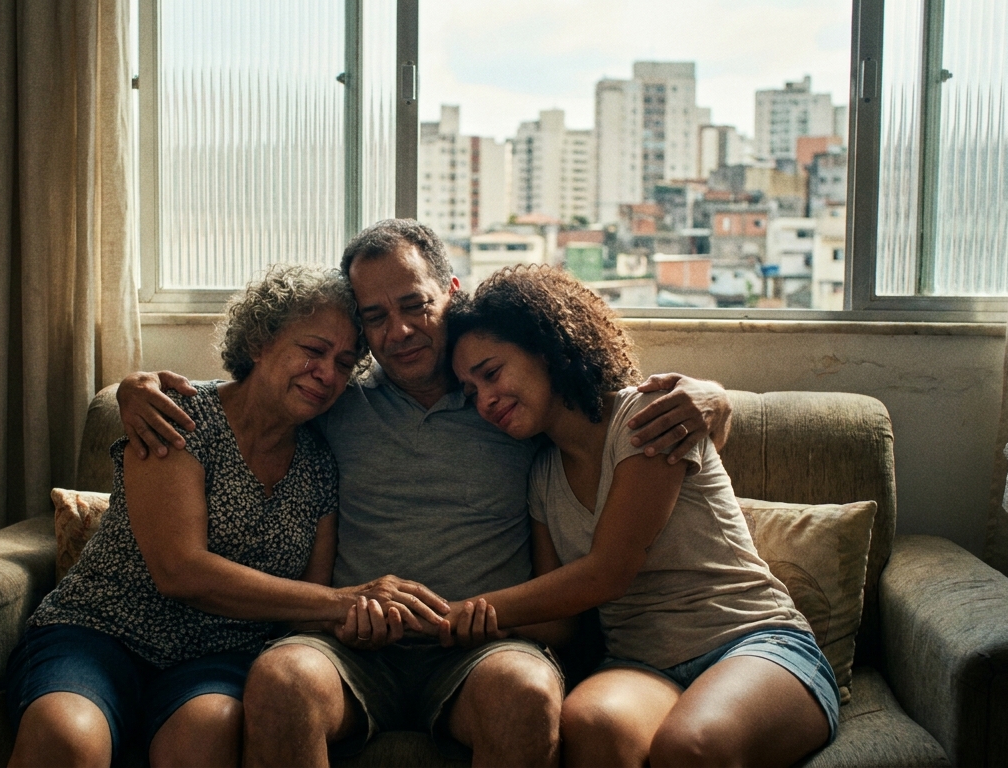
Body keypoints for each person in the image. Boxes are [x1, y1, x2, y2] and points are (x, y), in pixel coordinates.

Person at [115, 219, 733, 766]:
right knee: (282, 678)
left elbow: (600, 403)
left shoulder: (512, 403)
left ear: (452, 292)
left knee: (527, 692)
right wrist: (137, 388)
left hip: (483, 651)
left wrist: (715, 399)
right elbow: (256, 393)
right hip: (349, 646)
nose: (400, 330)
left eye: (415, 304)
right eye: (375, 317)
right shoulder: (336, 397)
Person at [7, 264, 448, 767]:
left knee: (204, 735)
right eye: (313, 350)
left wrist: (354, 621)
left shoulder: (322, 464)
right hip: (99, 633)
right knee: (67, 738)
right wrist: (343, 600)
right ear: (260, 341)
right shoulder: (177, 415)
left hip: (222, 657)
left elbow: (309, 602)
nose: (327, 374)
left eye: (345, 363)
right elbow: (180, 571)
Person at [444, 264, 838, 768]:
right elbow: (563, 623)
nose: (485, 400)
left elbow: (610, 570)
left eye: (491, 373)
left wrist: (470, 606)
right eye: (471, 391)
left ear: (545, 348)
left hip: (751, 642)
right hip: (640, 665)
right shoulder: (541, 477)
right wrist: (468, 626)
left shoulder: (647, 417)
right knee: (591, 724)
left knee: (690, 746)